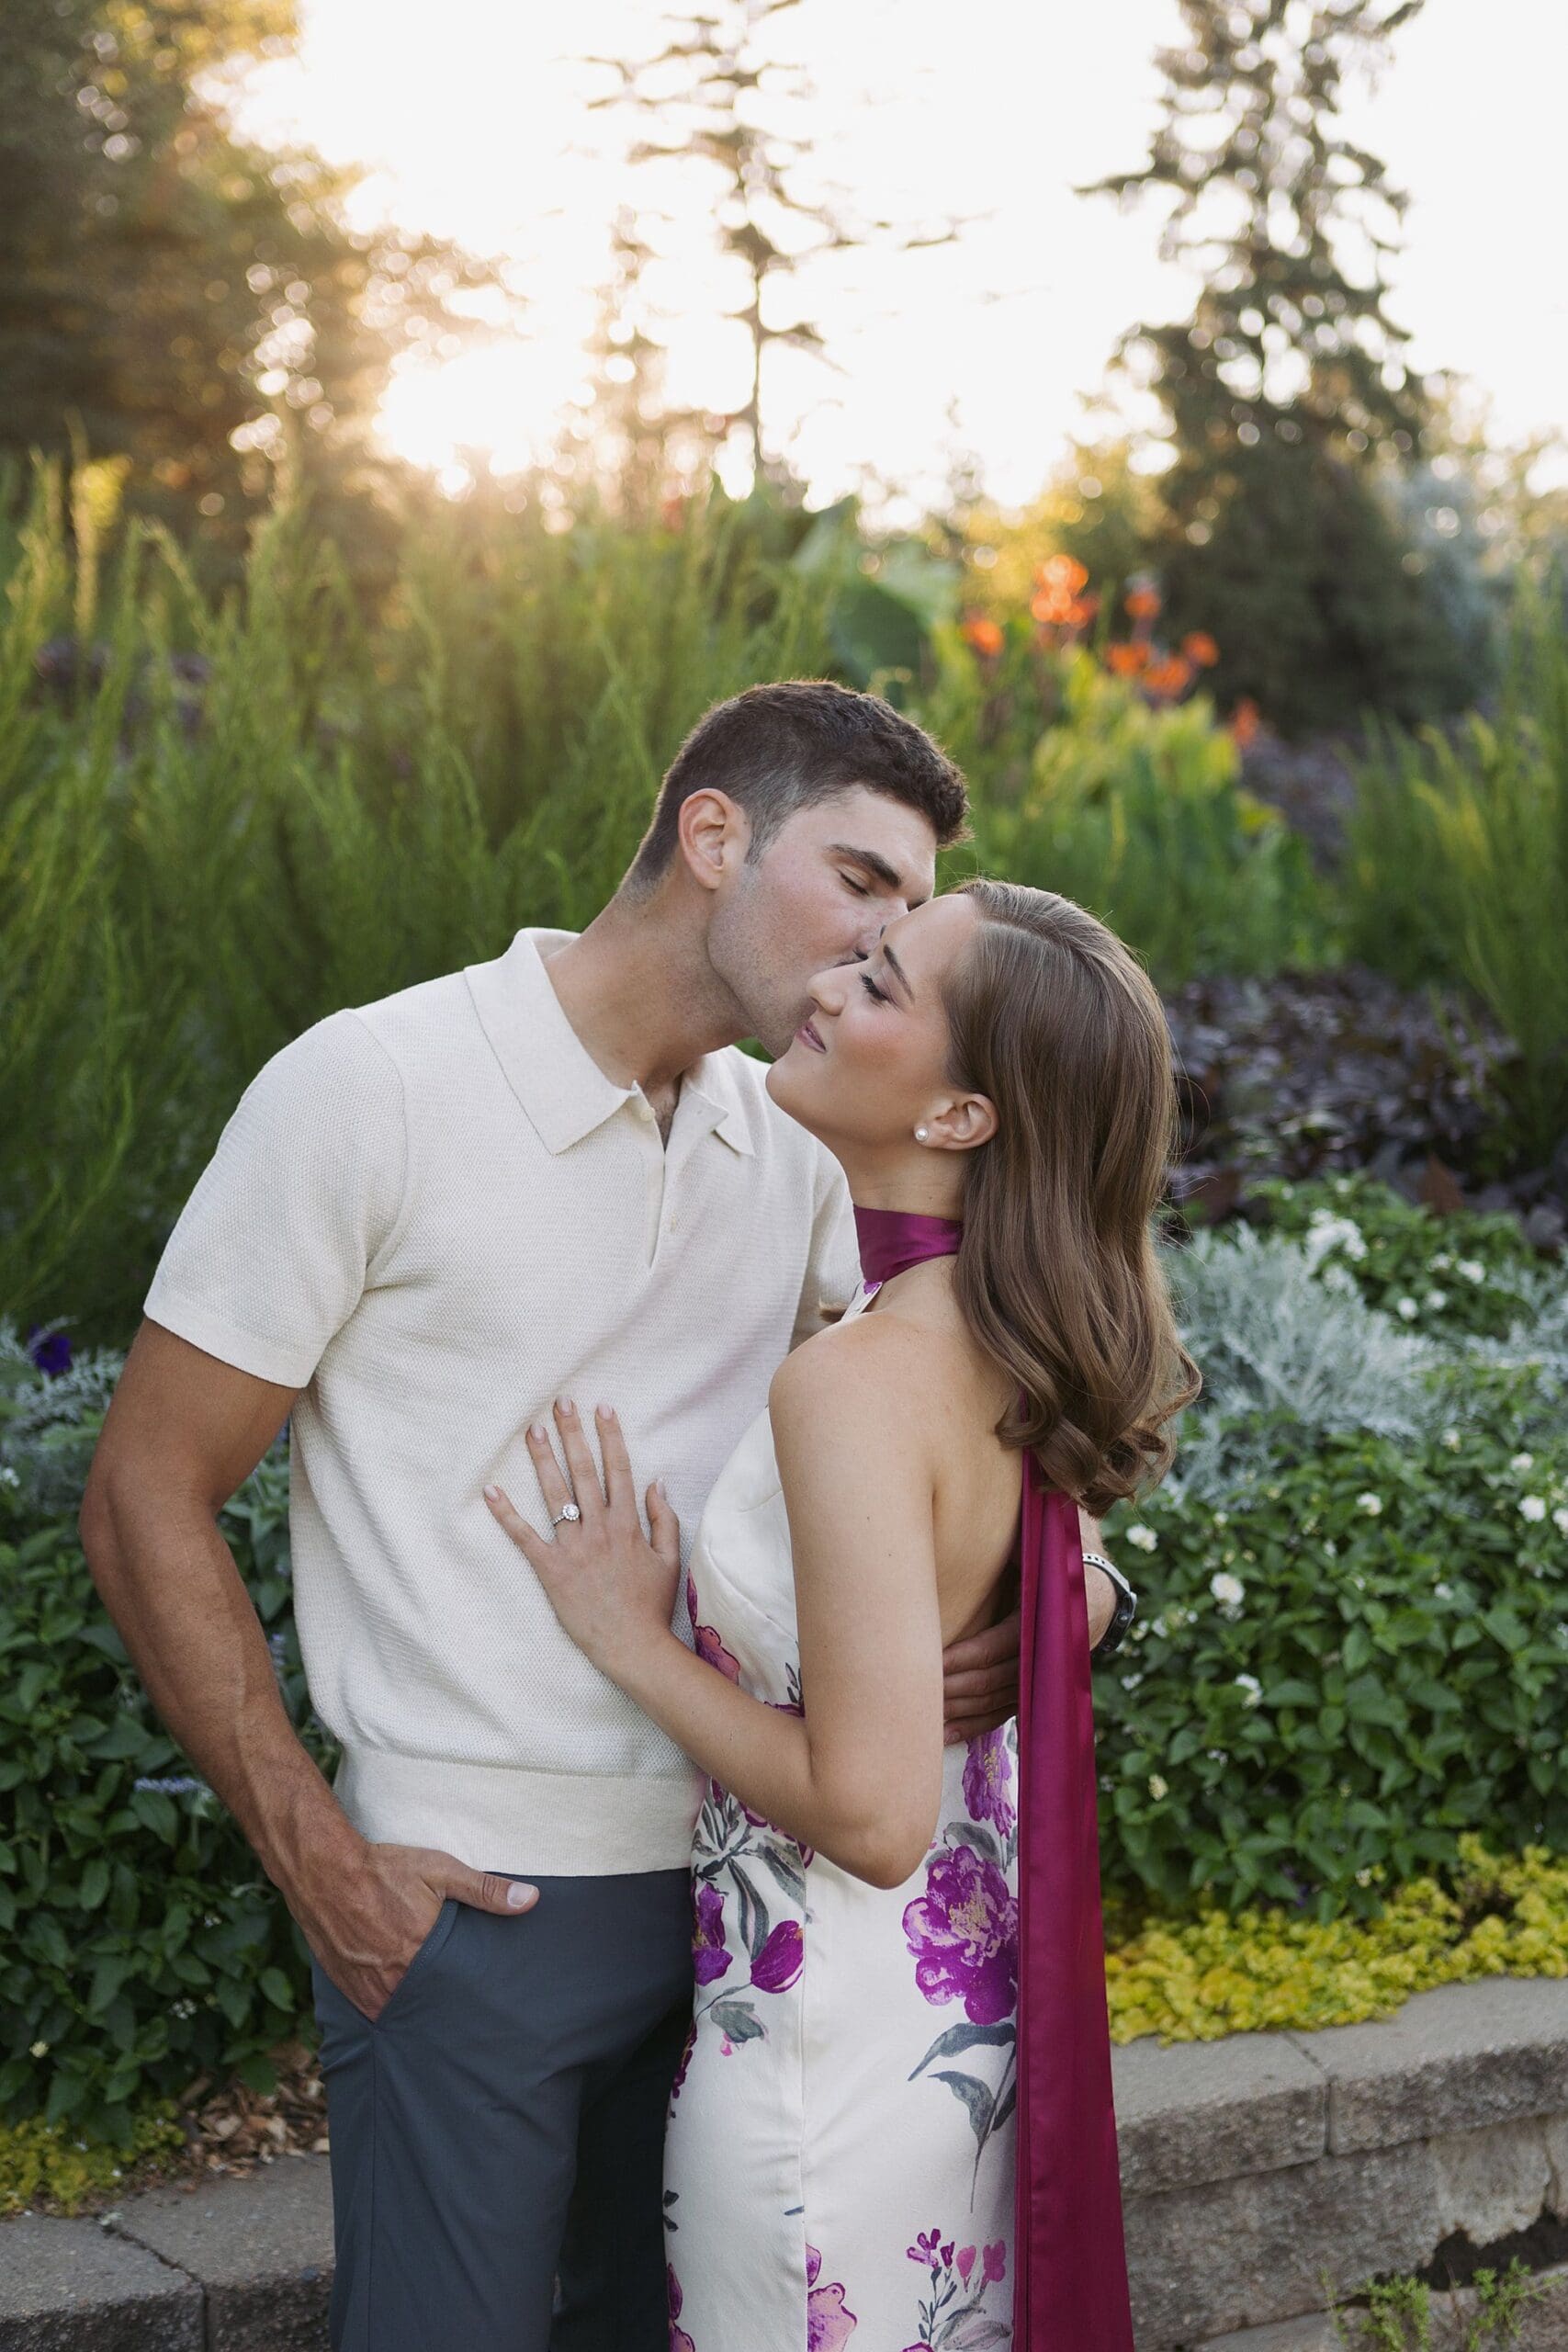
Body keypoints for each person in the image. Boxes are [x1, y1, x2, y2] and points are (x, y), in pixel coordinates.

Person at [79, 682, 1131, 2352]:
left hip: (752, 1920)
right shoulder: (373, 1087)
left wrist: (1066, 1605)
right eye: (864, 884)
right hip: (477, 1907)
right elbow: (146, 1491)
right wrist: (317, 1856)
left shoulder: (790, 1138)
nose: (886, 940)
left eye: (913, 918)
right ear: (714, 834)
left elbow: (929, 1419)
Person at [484, 879, 1198, 2350]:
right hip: (946, 2046)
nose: (824, 986)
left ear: (958, 1118)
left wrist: (628, 1638)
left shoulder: (862, 1380)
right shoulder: (1001, 1343)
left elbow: (870, 1819)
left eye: (879, 985)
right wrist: (1090, 1603)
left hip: (825, 2071)